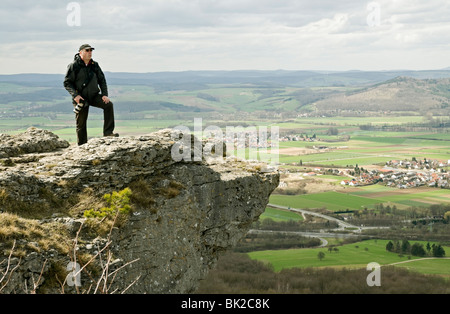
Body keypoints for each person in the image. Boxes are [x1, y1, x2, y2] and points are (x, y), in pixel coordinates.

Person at [64, 44, 118, 145]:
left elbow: (102, 80)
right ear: (81, 52)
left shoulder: (94, 65)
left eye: (91, 51)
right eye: (87, 50)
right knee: (81, 123)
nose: (90, 52)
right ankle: (82, 145)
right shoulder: (74, 66)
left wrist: (105, 94)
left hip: (94, 95)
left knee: (108, 105)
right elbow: (67, 83)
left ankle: (108, 133)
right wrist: (75, 96)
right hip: (81, 98)